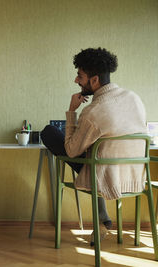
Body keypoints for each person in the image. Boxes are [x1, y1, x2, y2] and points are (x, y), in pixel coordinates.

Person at [40, 48, 147, 246]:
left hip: (105, 179)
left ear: (94, 80)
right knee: (94, 154)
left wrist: (72, 111)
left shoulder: (92, 112)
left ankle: (103, 219)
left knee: (48, 132)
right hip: (135, 175)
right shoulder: (134, 98)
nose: (76, 81)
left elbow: (72, 151)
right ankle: (102, 218)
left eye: (80, 76)